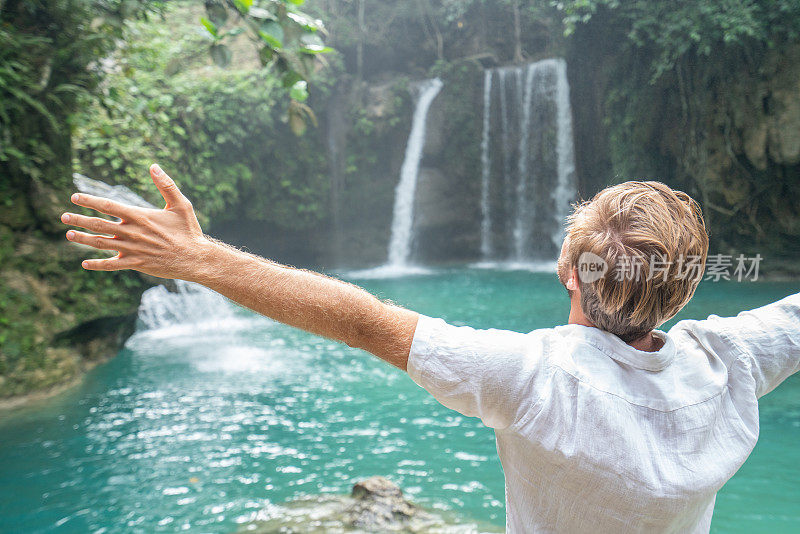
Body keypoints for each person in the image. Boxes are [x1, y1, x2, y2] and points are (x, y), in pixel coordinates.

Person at [61, 164, 799, 533]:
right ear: (685, 287)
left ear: (569, 270)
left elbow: (361, 319)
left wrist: (196, 257)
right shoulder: (728, 363)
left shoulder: (532, 378)